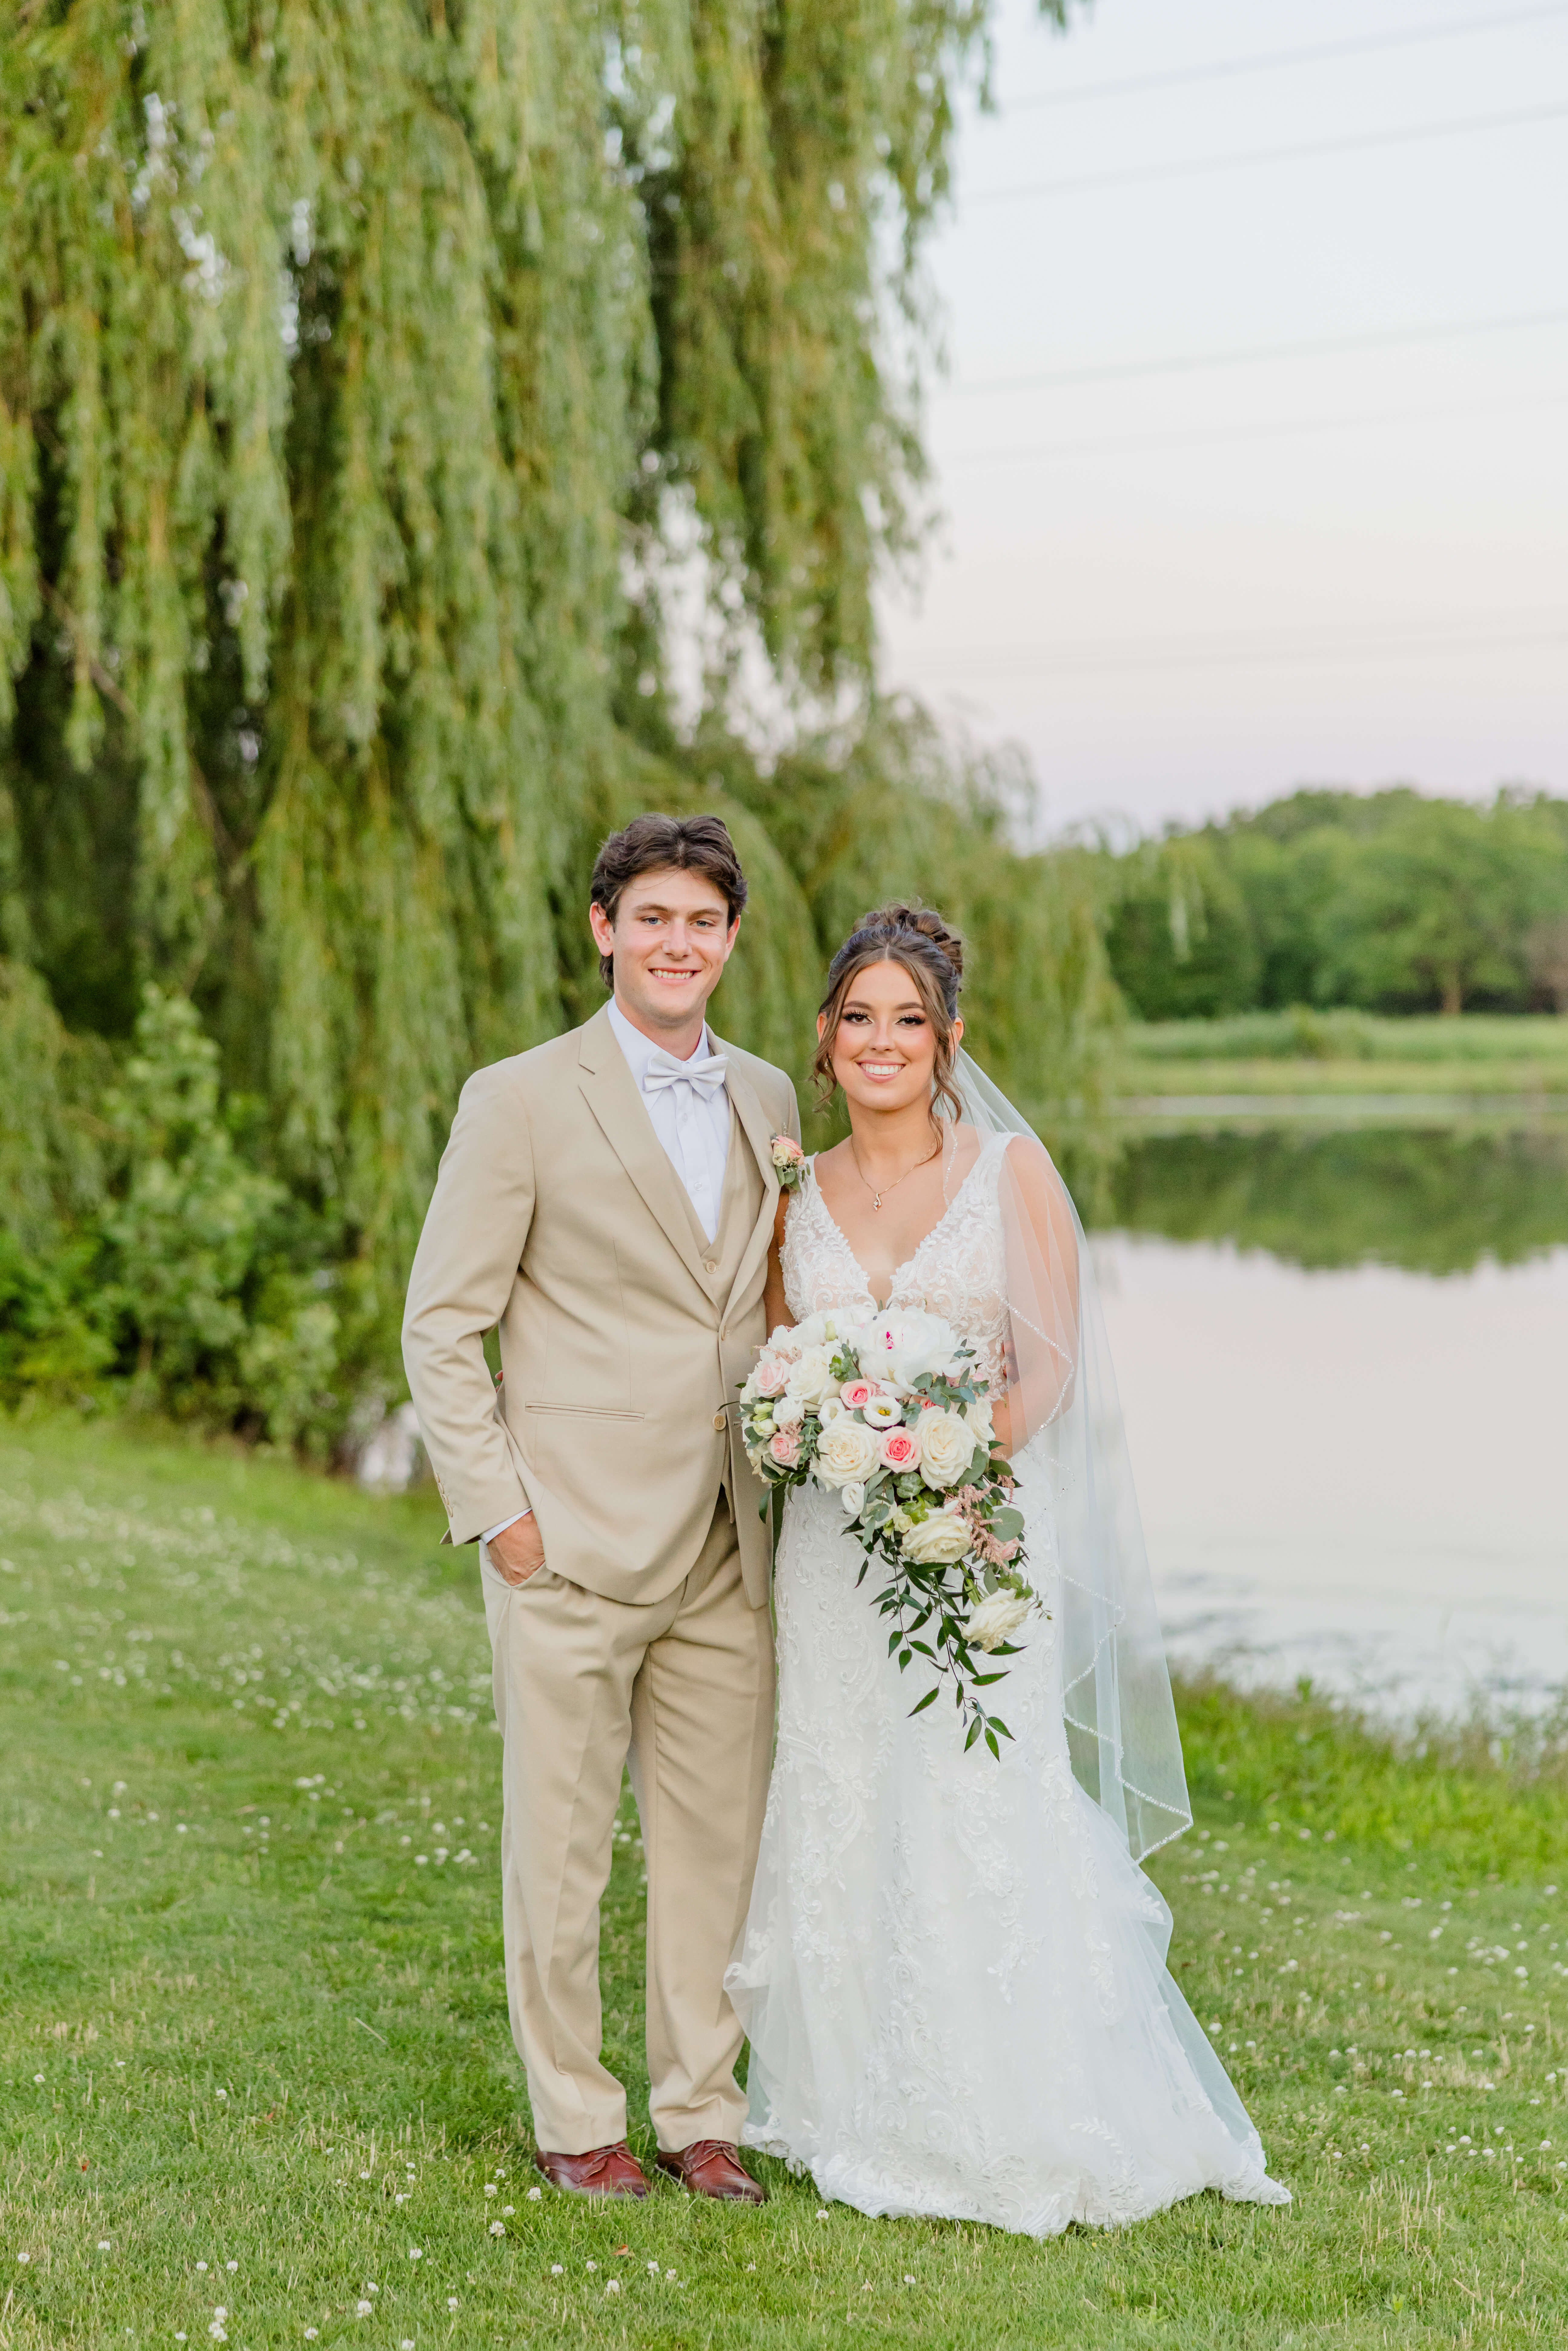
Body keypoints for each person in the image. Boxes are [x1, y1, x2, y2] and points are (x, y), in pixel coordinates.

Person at [725, 903, 1290, 2236]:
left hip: (970, 1538)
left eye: (905, 1021)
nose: (879, 1042)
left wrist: (944, 1462)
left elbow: (1052, 1370)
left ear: (946, 1039)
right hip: (830, 1563)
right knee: (844, 1793)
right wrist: (811, 1426)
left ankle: (1006, 2105)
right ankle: (841, 2102)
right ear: (820, 1039)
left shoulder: (1007, 1176)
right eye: (855, 1017)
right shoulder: (791, 1189)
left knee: (974, 1797)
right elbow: (770, 1361)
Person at [402, 813, 800, 2204]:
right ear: (603, 931)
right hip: (564, 1538)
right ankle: (576, 2121)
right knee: (557, 1856)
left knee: (714, 1855)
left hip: (725, 1543)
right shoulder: (515, 1098)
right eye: (652, 920)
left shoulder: (766, 1100)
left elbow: (762, 1303)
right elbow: (440, 1329)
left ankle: (702, 2113)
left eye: (702, 923)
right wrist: (499, 1517)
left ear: (730, 941)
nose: (676, 944)